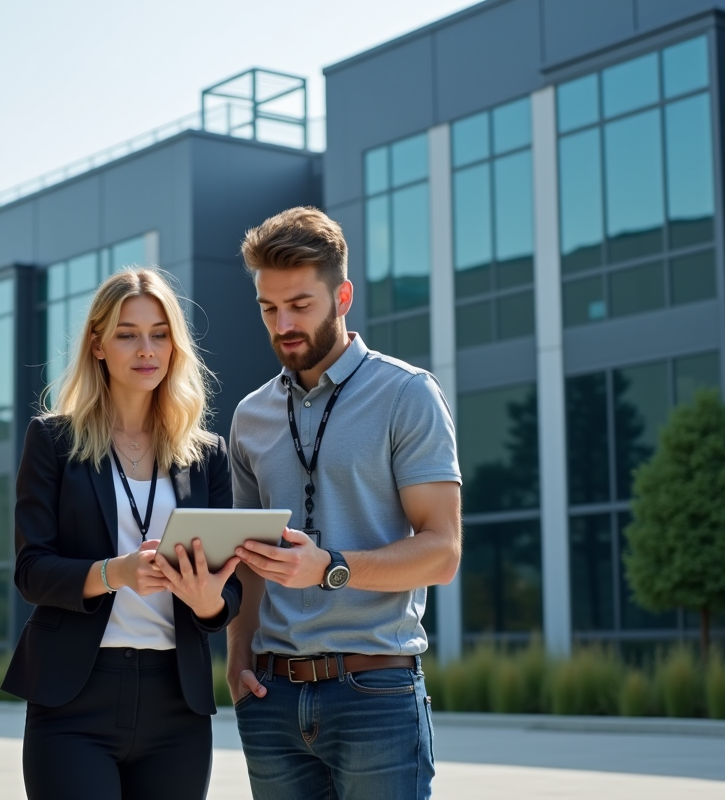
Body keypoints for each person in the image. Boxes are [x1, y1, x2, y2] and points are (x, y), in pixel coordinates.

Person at [226, 207, 462, 800]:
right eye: (268, 308)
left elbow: (442, 551)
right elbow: (247, 563)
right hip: (272, 699)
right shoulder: (249, 417)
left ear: (343, 296)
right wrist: (236, 662)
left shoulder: (408, 394)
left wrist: (330, 567)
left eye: (300, 305)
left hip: (375, 694)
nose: (283, 324)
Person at [3, 268, 242, 800]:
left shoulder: (207, 456)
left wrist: (207, 602)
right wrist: (118, 573)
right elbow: (32, 571)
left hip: (176, 705)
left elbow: (229, 591)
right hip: (74, 699)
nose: (146, 349)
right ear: (97, 344)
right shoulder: (52, 440)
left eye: (159, 333)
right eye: (127, 333)